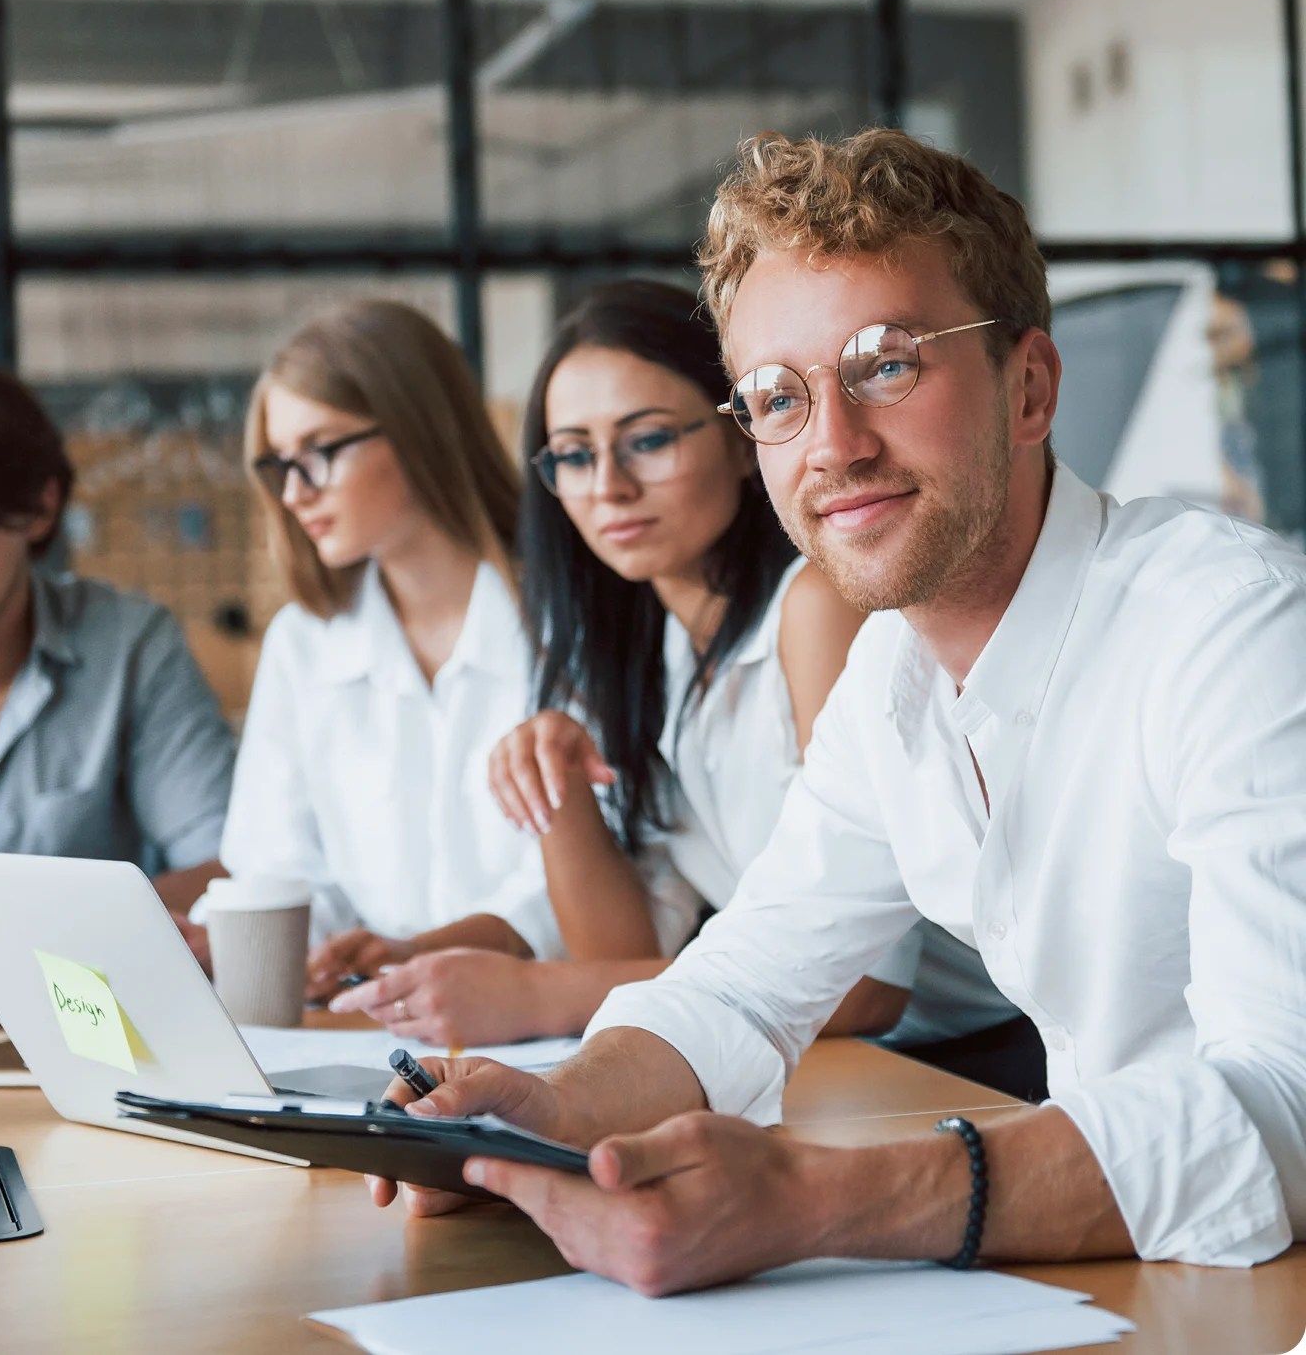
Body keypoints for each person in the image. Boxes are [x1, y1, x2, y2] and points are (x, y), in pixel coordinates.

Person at [367, 130, 1306, 1284]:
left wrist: (820, 1197)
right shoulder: (891, 676)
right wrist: (544, 1110)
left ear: (1031, 387)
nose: (836, 445)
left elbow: (1288, 1107)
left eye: (889, 365)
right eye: (778, 397)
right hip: (1152, 1280)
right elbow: (745, 979)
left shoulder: (1237, 629)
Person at [335, 282, 1030, 1098]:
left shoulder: (814, 609)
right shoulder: (652, 649)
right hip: (845, 1067)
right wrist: (559, 793)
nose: (608, 487)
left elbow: (869, 986)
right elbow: (626, 947)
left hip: (983, 1061)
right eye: (573, 456)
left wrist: (530, 996)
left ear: (745, 437)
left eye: (649, 439)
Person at [221, 298, 561, 1002]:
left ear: (416, 429)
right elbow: (277, 866)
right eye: (280, 465)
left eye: (318, 452)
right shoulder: (302, 644)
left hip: (541, 1019)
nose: (294, 493)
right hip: (363, 1018)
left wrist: (418, 951)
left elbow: (604, 877)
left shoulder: (567, 618)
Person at [0, 359, 232, 977]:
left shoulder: (131, 646)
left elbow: (226, 874)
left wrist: (5, 926)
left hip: (98, 1031)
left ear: (39, 507)